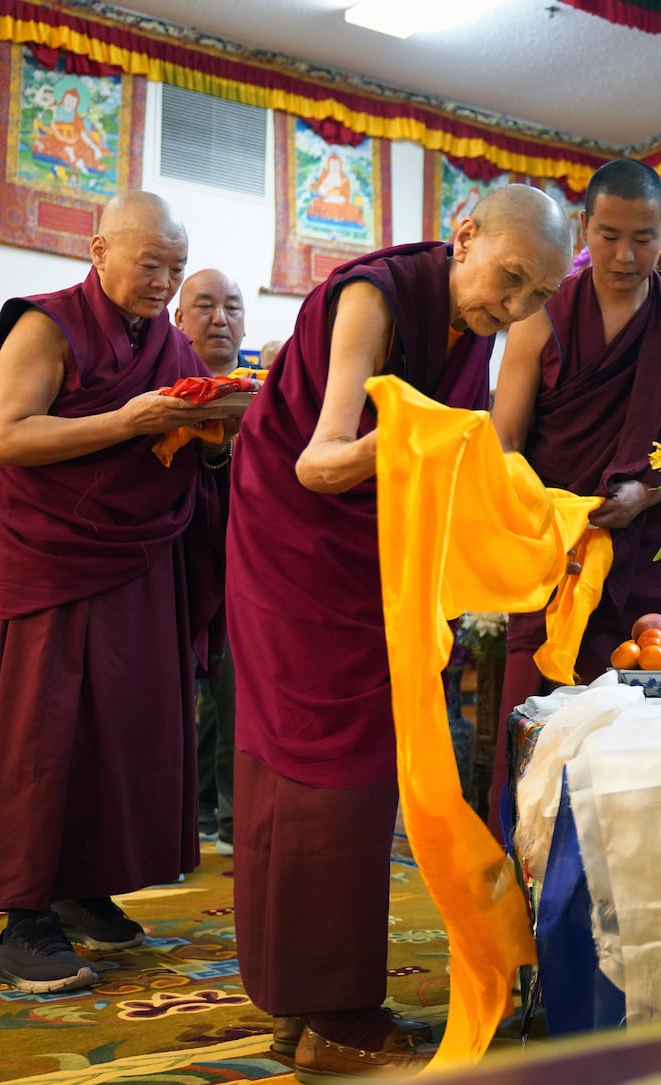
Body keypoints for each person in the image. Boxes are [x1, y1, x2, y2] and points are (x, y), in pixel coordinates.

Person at [225, 185, 571, 1079]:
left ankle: (301, 1005)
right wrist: (435, 438)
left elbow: (445, 454)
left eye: (537, 294)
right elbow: (322, 457)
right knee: (328, 773)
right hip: (298, 552)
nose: (517, 307)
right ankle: (337, 1013)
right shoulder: (371, 300)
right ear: (464, 237)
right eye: (511, 279)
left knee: (343, 771)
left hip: (364, 558)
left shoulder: (472, 321)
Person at [0, 191, 226, 992]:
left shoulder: (170, 343)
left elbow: (178, 440)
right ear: (99, 247)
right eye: (151, 264)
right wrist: (125, 421)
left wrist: (214, 433)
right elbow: (9, 434)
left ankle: (81, 888)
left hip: (137, 554)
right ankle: (22, 920)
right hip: (52, 551)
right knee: (44, 733)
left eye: (175, 268)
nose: (163, 281)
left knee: (124, 727)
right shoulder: (44, 323)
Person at [493, 158, 661, 820]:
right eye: (607, 235)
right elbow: (504, 442)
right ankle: (533, 892)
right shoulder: (541, 316)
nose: (625, 255)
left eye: (643, 237)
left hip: (658, 556)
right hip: (560, 559)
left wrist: (649, 496)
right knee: (546, 731)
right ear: (583, 226)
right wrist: (555, 523)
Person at [174, 269, 246, 857]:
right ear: (178, 319)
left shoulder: (272, 397)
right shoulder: (158, 390)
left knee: (237, 704)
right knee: (170, 710)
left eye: (232, 307)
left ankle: (229, 822)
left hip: (246, 577)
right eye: (204, 306)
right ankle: (174, 823)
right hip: (171, 569)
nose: (219, 319)